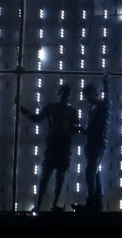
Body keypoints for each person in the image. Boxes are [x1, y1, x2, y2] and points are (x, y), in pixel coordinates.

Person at [18, 83, 81, 212]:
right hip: (54, 147)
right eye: (64, 93)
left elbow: (76, 129)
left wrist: (74, 129)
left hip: (63, 148)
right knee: (47, 176)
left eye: (68, 94)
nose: (66, 96)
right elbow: (36, 118)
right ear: (60, 93)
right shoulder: (52, 108)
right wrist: (21, 108)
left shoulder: (70, 111)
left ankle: (50, 204)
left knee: (58, 177)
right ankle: (42, 204)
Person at [73, 73, 111, 212]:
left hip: (98, 144)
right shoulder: (93, 109)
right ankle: (97, 203)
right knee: (94, 173)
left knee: (90, 172)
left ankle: (92, 203)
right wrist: (80, 130)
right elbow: (89, 130)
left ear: (94, 93)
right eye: (86, 97)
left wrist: (105, 82)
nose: (87, 99)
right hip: (90, 145)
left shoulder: (104, 106)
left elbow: (107, 98)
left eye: (89, 96)